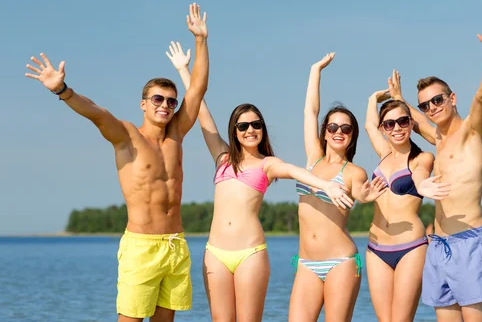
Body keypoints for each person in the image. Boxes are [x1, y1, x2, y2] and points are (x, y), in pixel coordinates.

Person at [24, 3, 210, 322]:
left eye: (170, 101)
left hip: (176, 245)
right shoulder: (126, 136)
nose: (165, 105)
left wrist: (201, 40)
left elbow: (198, 88)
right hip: (141, 248)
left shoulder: (177, 134)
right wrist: (63, 90)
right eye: (157, 99)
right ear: (143, 104)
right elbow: (97, 113)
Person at [167, 44, 352, 322]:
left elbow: (294, 171)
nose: (250, 130)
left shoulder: (267, 164)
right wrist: (184, 69)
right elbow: (202, 114)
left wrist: (326, 185)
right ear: (235, 131)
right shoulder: (222, 157)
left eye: (255, 125)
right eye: (243, 126)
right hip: (215, 252)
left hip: (250, 253)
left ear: (262, 129)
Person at [392, 14, 482, 322]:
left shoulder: (472, 132)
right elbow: (418, 121)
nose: (432, 107)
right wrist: (399, 99)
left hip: (469, 242)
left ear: (452, 98)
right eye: (426, 104)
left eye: (438, 100)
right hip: (439, 244)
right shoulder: (438, 138)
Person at [288, 53, 369, 322]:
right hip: (306, 264)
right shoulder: (313, 158)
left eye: (346, 129)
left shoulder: (355, 172)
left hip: (341, 262)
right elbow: (310, 111)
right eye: (333, 126)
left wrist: (367, 196)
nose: (338, 131)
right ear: (324, 131)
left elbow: (364, 194)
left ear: (352, 136)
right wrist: (315, 70)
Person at [361, 87, 450, 322]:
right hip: (376, 249)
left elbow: (420, 174)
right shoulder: (383, 154)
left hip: (410, 247)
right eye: (389, 124)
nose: (396, 128)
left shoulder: (423, 158)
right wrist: (373, 99)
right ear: (384, 129)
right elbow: (369, 125)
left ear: (411, 123)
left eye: (402, 121)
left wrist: (421, 186)